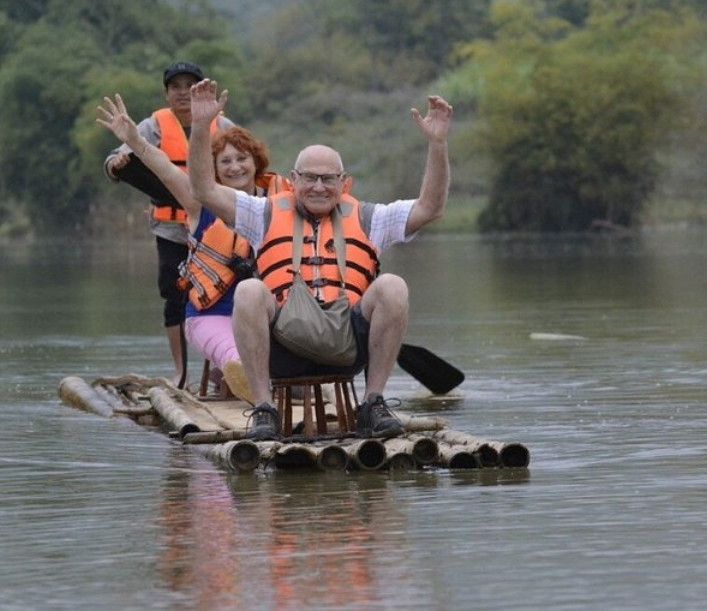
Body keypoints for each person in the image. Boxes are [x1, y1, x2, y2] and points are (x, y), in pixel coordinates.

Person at [186, 78, 453, 441]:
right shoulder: (260, 214)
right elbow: (203, 187)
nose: (318, 187)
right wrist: (201, 128)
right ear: (292, 180)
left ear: (345, 184)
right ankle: (264, 409)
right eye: (309, 178)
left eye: (328, 179)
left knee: (393, 286)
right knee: (249, 290)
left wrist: (437, 144)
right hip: (282, 346)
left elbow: (430, 207)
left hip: (348, 344)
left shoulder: (370, 218)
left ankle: (373, 404)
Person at [97, 93, 284, 401]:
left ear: (257, 163)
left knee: (300, 345)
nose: (235, 167)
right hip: (211, 315)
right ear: (213, 170)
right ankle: (242, 377)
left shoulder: (279, 206)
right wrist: (136, 141)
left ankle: (256, 379)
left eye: (242, 159)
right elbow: (166, 171)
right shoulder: (199, 204)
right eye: (225, 161)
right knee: (236, 356)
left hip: (264, 314)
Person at [103, 62, 235, 388]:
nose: (182, 93)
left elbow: (243, 161)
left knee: (221, 293)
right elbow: (114, 161)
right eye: (175, 86)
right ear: (166, 93)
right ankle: (182, 372)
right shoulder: (153, 126)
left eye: (190, 85)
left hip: (214, 229)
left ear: (200, 90)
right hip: (171, 229)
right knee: (174, 296)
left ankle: (222, 370)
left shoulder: (222, 124)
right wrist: (118, 163)